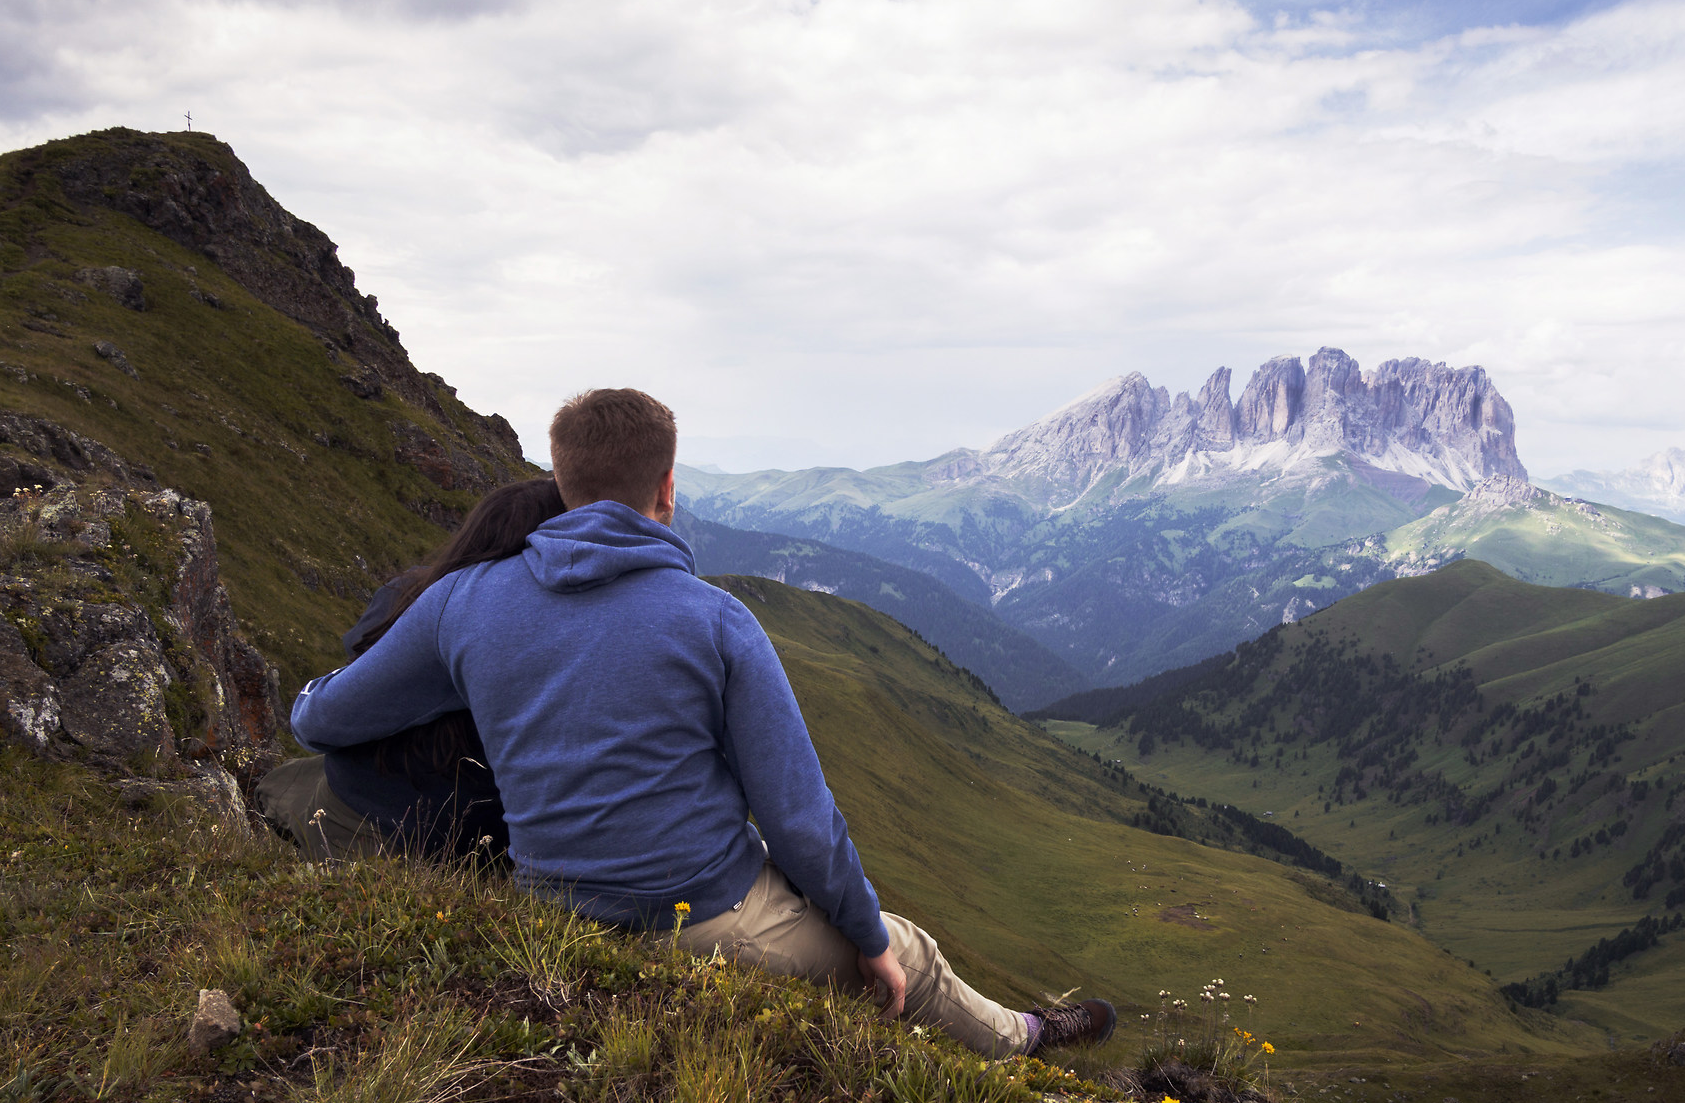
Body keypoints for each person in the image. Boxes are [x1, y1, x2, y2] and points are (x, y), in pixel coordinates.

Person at [286, 388, 1115, 1060]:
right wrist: (865, 936)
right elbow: (798, 817)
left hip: (547, 917)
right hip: (702, 923)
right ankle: (1029, 1040)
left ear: (560, 476)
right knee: (915, 956)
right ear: (668, 488)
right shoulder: (716, 620)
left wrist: (319, 689)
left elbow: (322, 717)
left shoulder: (461, 604)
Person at [257, 477, 568, 861]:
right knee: (284, 779)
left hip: (374, 814)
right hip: (490, 836)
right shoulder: (569, 633)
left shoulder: (416, 597)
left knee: (277, 785)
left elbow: (319, 721)